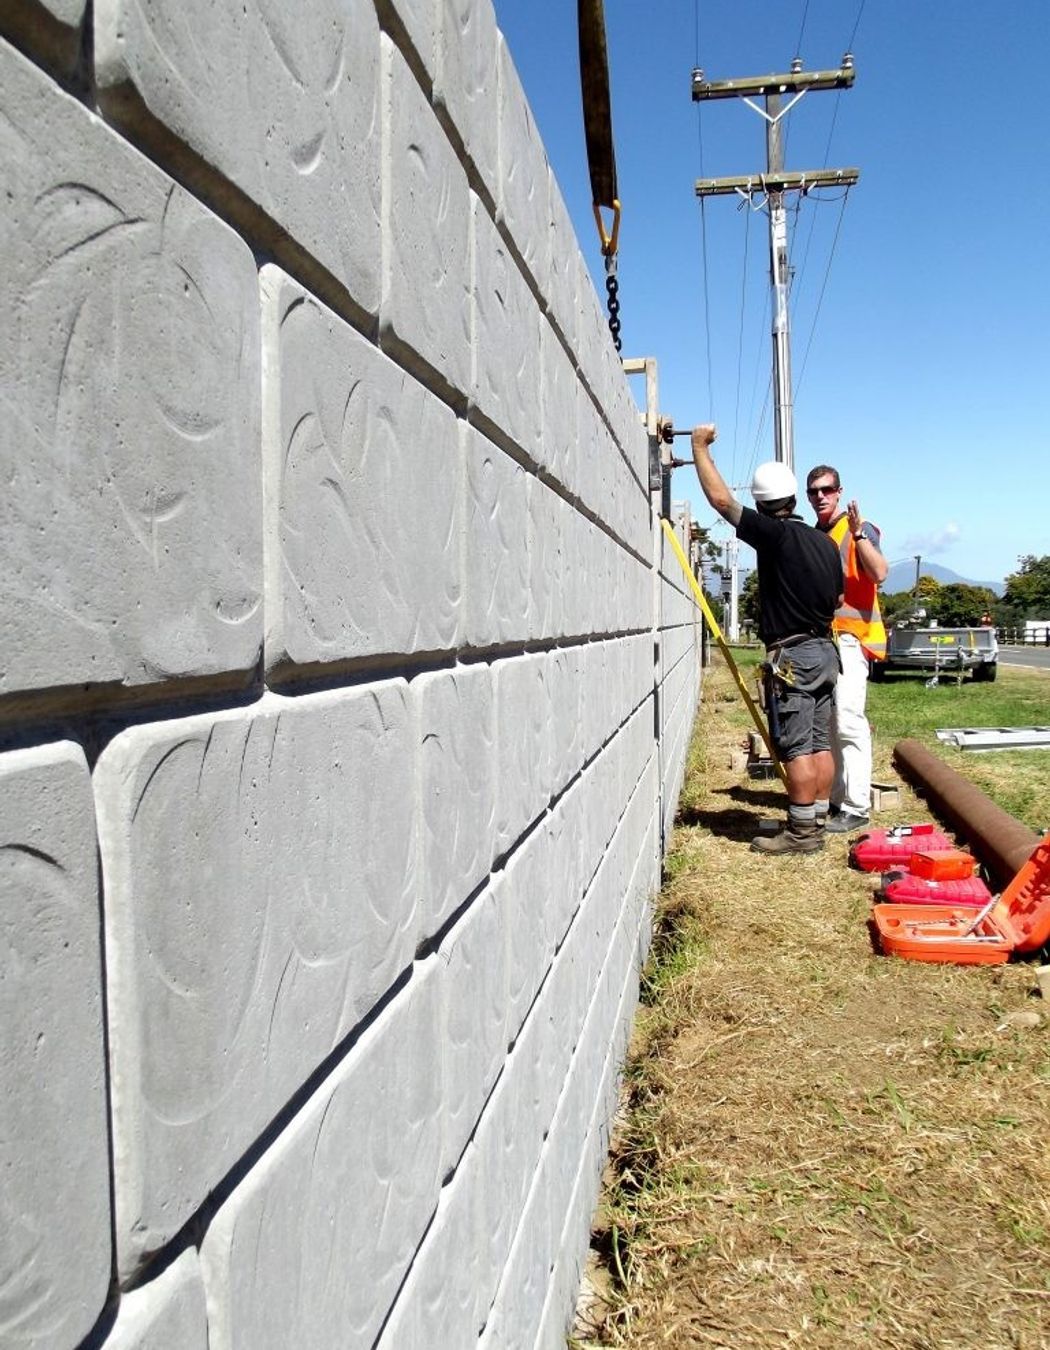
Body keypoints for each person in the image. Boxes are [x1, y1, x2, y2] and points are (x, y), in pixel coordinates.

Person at [692, 426, 843, 855]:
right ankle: (812, 822)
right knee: (818, 742)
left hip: (794, 655)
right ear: (795, 498)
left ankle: (801, 835)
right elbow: (838, 597)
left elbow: (722, 501)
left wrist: (699, 447)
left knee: (795, 746)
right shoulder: (825, 543)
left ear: (762, 503)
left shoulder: (774, 536)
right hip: (825, 653)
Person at [805, 464, 888, 832]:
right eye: (814, 492)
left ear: (839, 492)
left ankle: (857, 806)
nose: (820, 496)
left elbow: (879, 573)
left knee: (849, 721)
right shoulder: (814, 535)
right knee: (831, 722)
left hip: (852, 639)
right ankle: (839, 801)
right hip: (825, 639)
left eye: (826, 490)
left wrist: (858, 536)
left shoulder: (860, 529)